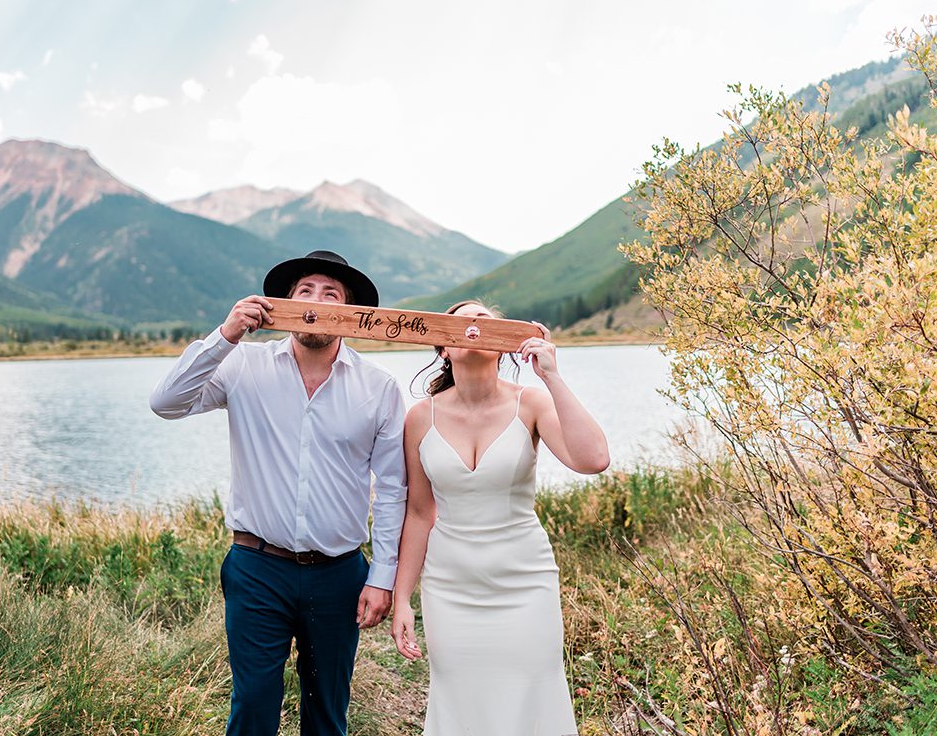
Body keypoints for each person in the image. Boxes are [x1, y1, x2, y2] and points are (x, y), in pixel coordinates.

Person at [150, 249, 407, 736]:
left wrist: (383, 575)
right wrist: (225, 335)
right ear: (283, 304)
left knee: (328, 711)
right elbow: (166, 403)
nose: (316, 302)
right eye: (304, 292)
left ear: (350, 314)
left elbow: (394, 489)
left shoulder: (380, 388)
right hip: (257, 567)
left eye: (331, 294)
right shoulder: (241, 365)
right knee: (253, 705)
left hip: (338, 572)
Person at [389, 300, 609, 736]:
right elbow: (418, 513)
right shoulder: (419, 418)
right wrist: (402, 600)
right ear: (443, 349)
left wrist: (551, 375)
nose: (473, 328)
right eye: (460, 322)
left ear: (504, 343)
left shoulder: (532, 403)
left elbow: (594, 459)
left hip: (524, 581)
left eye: (484, 321)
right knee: (459, 697)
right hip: (449, 586)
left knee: (532, 693)